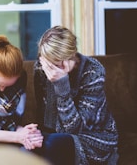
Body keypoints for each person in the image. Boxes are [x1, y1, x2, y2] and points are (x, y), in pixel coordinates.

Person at [33, 26, 119, 165]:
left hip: (94, 137)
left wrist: (61, 85)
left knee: (52, 144)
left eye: (57, 63)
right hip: (56, 135)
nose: (52, 68)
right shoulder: (41, 68)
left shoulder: (93, 71)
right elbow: (45, 119)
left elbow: (73, 129)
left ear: (71, 55)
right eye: (50, 62)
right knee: (31, 145)